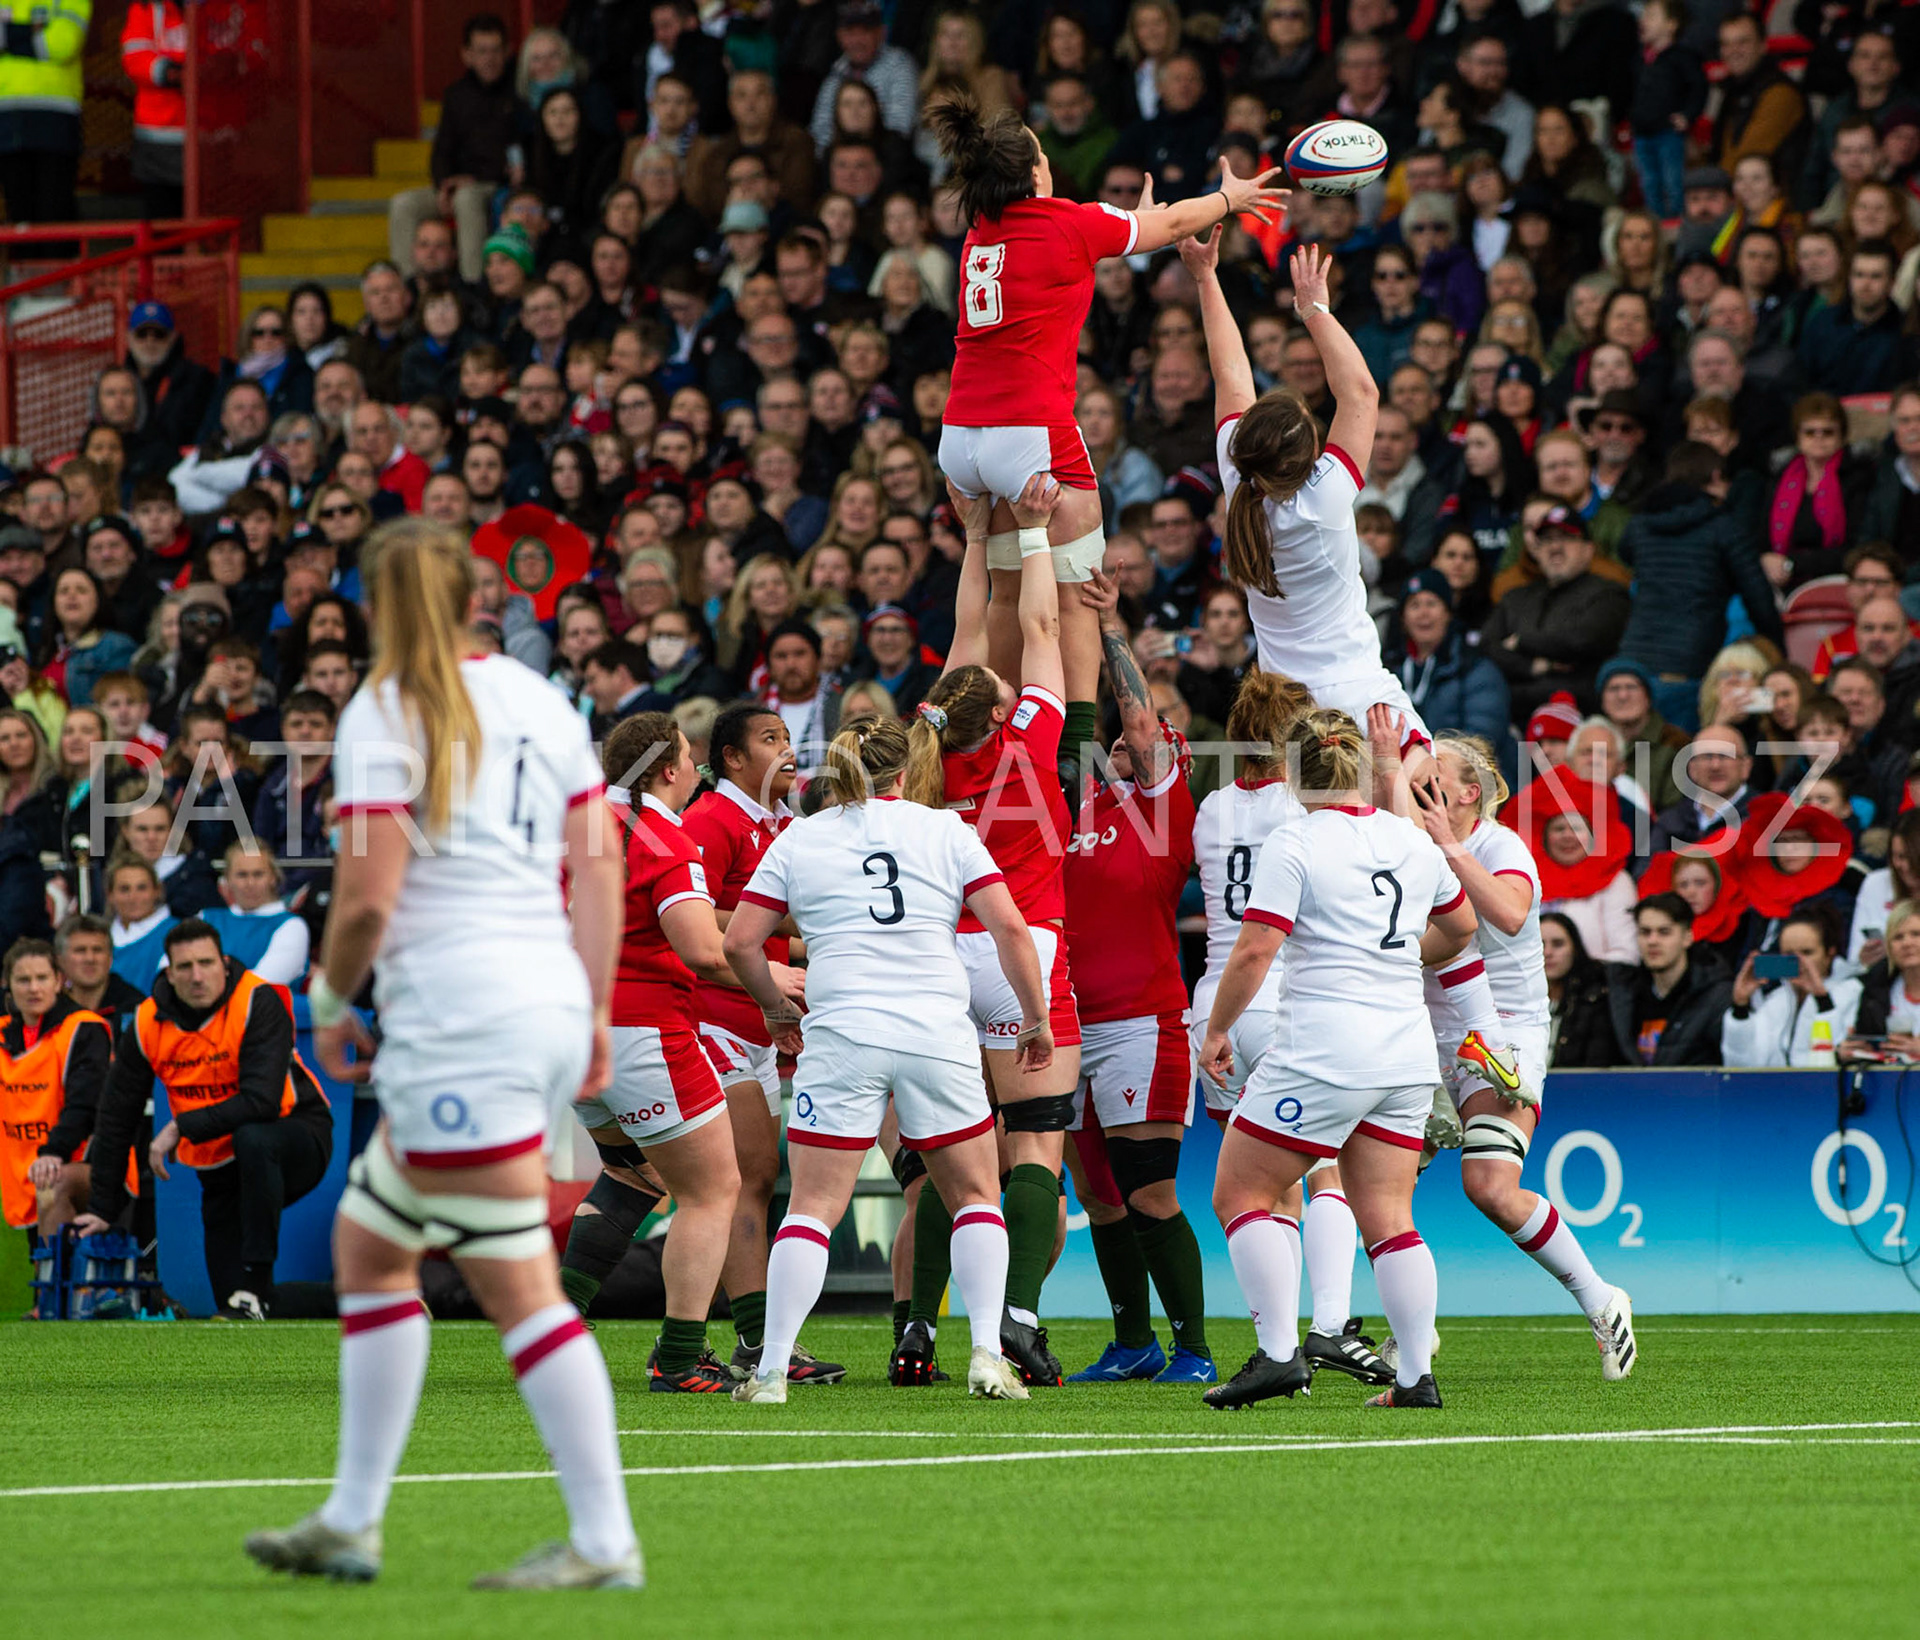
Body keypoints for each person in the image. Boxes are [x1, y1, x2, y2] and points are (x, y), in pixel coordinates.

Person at [240, 518, 640, 1590]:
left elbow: (366, 899)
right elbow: (599, 868)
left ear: (377, 602)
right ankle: (351, 1516)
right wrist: (594, 1011)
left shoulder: (388, 705)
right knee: (372, 1245)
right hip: (542, 997)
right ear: (476, 594)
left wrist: (326, 997)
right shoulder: (543, 700)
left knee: (515, 1281)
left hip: (464, 1014)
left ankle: (604, 1540)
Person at [927, 90, 1287, 771]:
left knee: (1007, 595)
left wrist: (1135, 218)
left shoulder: (982, 229)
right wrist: (1231, 197)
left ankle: (981, 742)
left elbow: (1119, 234)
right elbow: (1178, 220)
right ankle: (1070, 756)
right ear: (1036, 172)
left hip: (961, 436)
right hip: (1028, 429)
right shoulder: (1069, 221)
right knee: (1080, 589)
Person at [724, 715, 1047, 1405]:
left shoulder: (800, 837)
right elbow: (1011, 928)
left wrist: (777, 1007)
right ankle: (988, 1357)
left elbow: (740, 943)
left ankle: (772, 1370)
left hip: (844, 1032)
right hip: (936, 1031)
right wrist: (1037, 1017)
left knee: (811, 1208)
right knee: (974, 1199)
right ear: (907, 773)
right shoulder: (947, 831)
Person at [1198, 708, 1479, 1410]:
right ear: (1359, 766)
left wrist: (1218, 1029)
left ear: (1292, 774)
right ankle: (1416, 1377)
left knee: (1239, 1194)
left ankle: (1276, 1356)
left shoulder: (1296, 842)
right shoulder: (1408, 842)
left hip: (1324, 1051)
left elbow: (1257, 947)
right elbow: (1463, 925)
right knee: (1389, 1214)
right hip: (1404, 1052)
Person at [900, 475, 1084, 1388]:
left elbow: (971, 640)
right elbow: (1043, 631)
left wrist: (977, 534)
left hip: (939, 958)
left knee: (951, 1157)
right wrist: (1037, 531)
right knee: (1034, 1147)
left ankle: (916, 1331)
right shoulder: (1028, 734)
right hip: (1023, 948)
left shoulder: (926, 756)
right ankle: (1015, 1314)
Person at [560, 714, 776, 1392]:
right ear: (668, 769)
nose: (697, 769)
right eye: (689, 757)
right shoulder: (664, 836)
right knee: (712, 1190)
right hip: (644, 1031)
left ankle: (552, 1328)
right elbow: (702, 952)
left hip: (573, 1033)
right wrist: (775, 986)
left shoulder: (584, 831)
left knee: (631, 1175)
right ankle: (680, 1357)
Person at [1410, 736, 1636, 1377]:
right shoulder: (1408, 843)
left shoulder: (1497, 845)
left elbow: (1509, 915)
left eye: (1433, 778)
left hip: (1502, 1034)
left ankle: (1602, 1301)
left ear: (1468, 792)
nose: (1418, 787)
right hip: (1424, 1034)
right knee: (1379, 1187)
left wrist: (1447, 848)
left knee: (1488, 1185)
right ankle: (1412, 1329)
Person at [1192, 237, 1432, 803]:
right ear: (1309, 459)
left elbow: (1229, 372)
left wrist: (1206, 277)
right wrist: (1314, 309)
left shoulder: (1238, 481)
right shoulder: (1321, 503)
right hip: (1358, 698)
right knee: (1426, 825)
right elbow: (1362, 392)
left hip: (1285, 711)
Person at [1058, 570, 1210, 1383]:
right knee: (1102, 1198)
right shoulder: (1078, 813)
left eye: (1135, 744)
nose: (1121, 745)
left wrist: (1110, 624)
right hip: (1072, 1026)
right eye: (1111, 744)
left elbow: (1143, 721)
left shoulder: (1163, 813)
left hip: (1141, 1024)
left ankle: (1194, 1347)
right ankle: (1133, 1342)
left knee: (1151, 1193)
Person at [680, 704, 844, 1387]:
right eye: (769, 740)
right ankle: (750, 1338)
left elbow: (771, 928)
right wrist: (764, 926)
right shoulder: (710, 821)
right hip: (711, 1017)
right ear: (732, 760)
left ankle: (752, 1335)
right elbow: (685, 911)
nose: (786, 750)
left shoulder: (777, 824)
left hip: (757, 1023)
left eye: (787, 737)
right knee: (743, 1175)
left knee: (753, 1178)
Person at [76, 917, 331, 1319]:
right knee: (236, 1302)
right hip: (220, 1162)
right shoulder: (148, 1021)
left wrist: (181, 1127)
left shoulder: (257, 1000)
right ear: (169, 974)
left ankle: (257, 1279)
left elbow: (262, 1102)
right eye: (185, 967)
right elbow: (115, 1113)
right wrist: (103, 1207)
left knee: (254, 1137)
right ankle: (349, 1301)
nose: (197, 976)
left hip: (294, 1134)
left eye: (206, 963)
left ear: (225, 964)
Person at [0, 937, 112, 1240]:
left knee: (53, 1183)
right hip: (24, 1167)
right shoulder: (3, 1033)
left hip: (81, 1163)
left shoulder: (84, 1028)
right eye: (23, 980)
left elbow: (85, 1105)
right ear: (7, 984)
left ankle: (52, 1287)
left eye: (41, 978)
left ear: (59, 981)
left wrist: (54, 1152)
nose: (33, 988)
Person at [1722, 906, 1863, 1066]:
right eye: (1789, 955)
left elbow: (1836, 1058)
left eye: (1807, 952)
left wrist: (1822, 999)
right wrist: (1740, 1006)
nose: (1799, 962)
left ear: (1830, 952)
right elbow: (1739, 1066)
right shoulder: (1775, 1001)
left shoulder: (1853, 993)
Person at [1606, 893, 1732, 1067]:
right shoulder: (1623, 992)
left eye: (1664, 932)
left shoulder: (1717, 996)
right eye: (1645, 932)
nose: (1652, 941)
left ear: (1687, 937)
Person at [202, 842, 311, 986]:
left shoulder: (292, 926)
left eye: (258, 874)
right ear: (227, 879)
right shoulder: (205, 918)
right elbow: (170, 971)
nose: (250, 883)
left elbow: (260, 987)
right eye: (242, 875)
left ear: (273, 877)